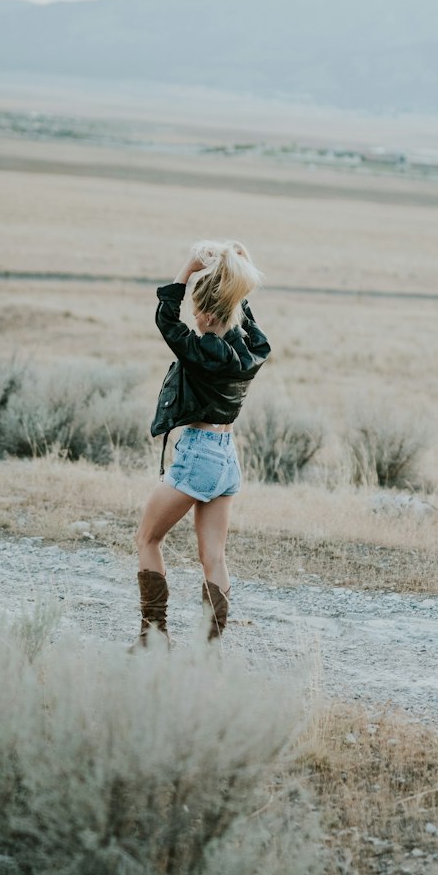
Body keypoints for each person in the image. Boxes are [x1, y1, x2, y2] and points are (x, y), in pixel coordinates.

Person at [133, 240, 271, 647]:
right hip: (227, 458)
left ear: (209, 314)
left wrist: (187, 270)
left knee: (147, 539)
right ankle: (210, 653)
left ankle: (153, 641)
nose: (192, 318)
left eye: (197, 313)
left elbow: (165, 321)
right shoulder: (251, 350)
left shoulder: (204, 353)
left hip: (198, 454)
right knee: (214, 556)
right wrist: (237, 283)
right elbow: (241, 318)